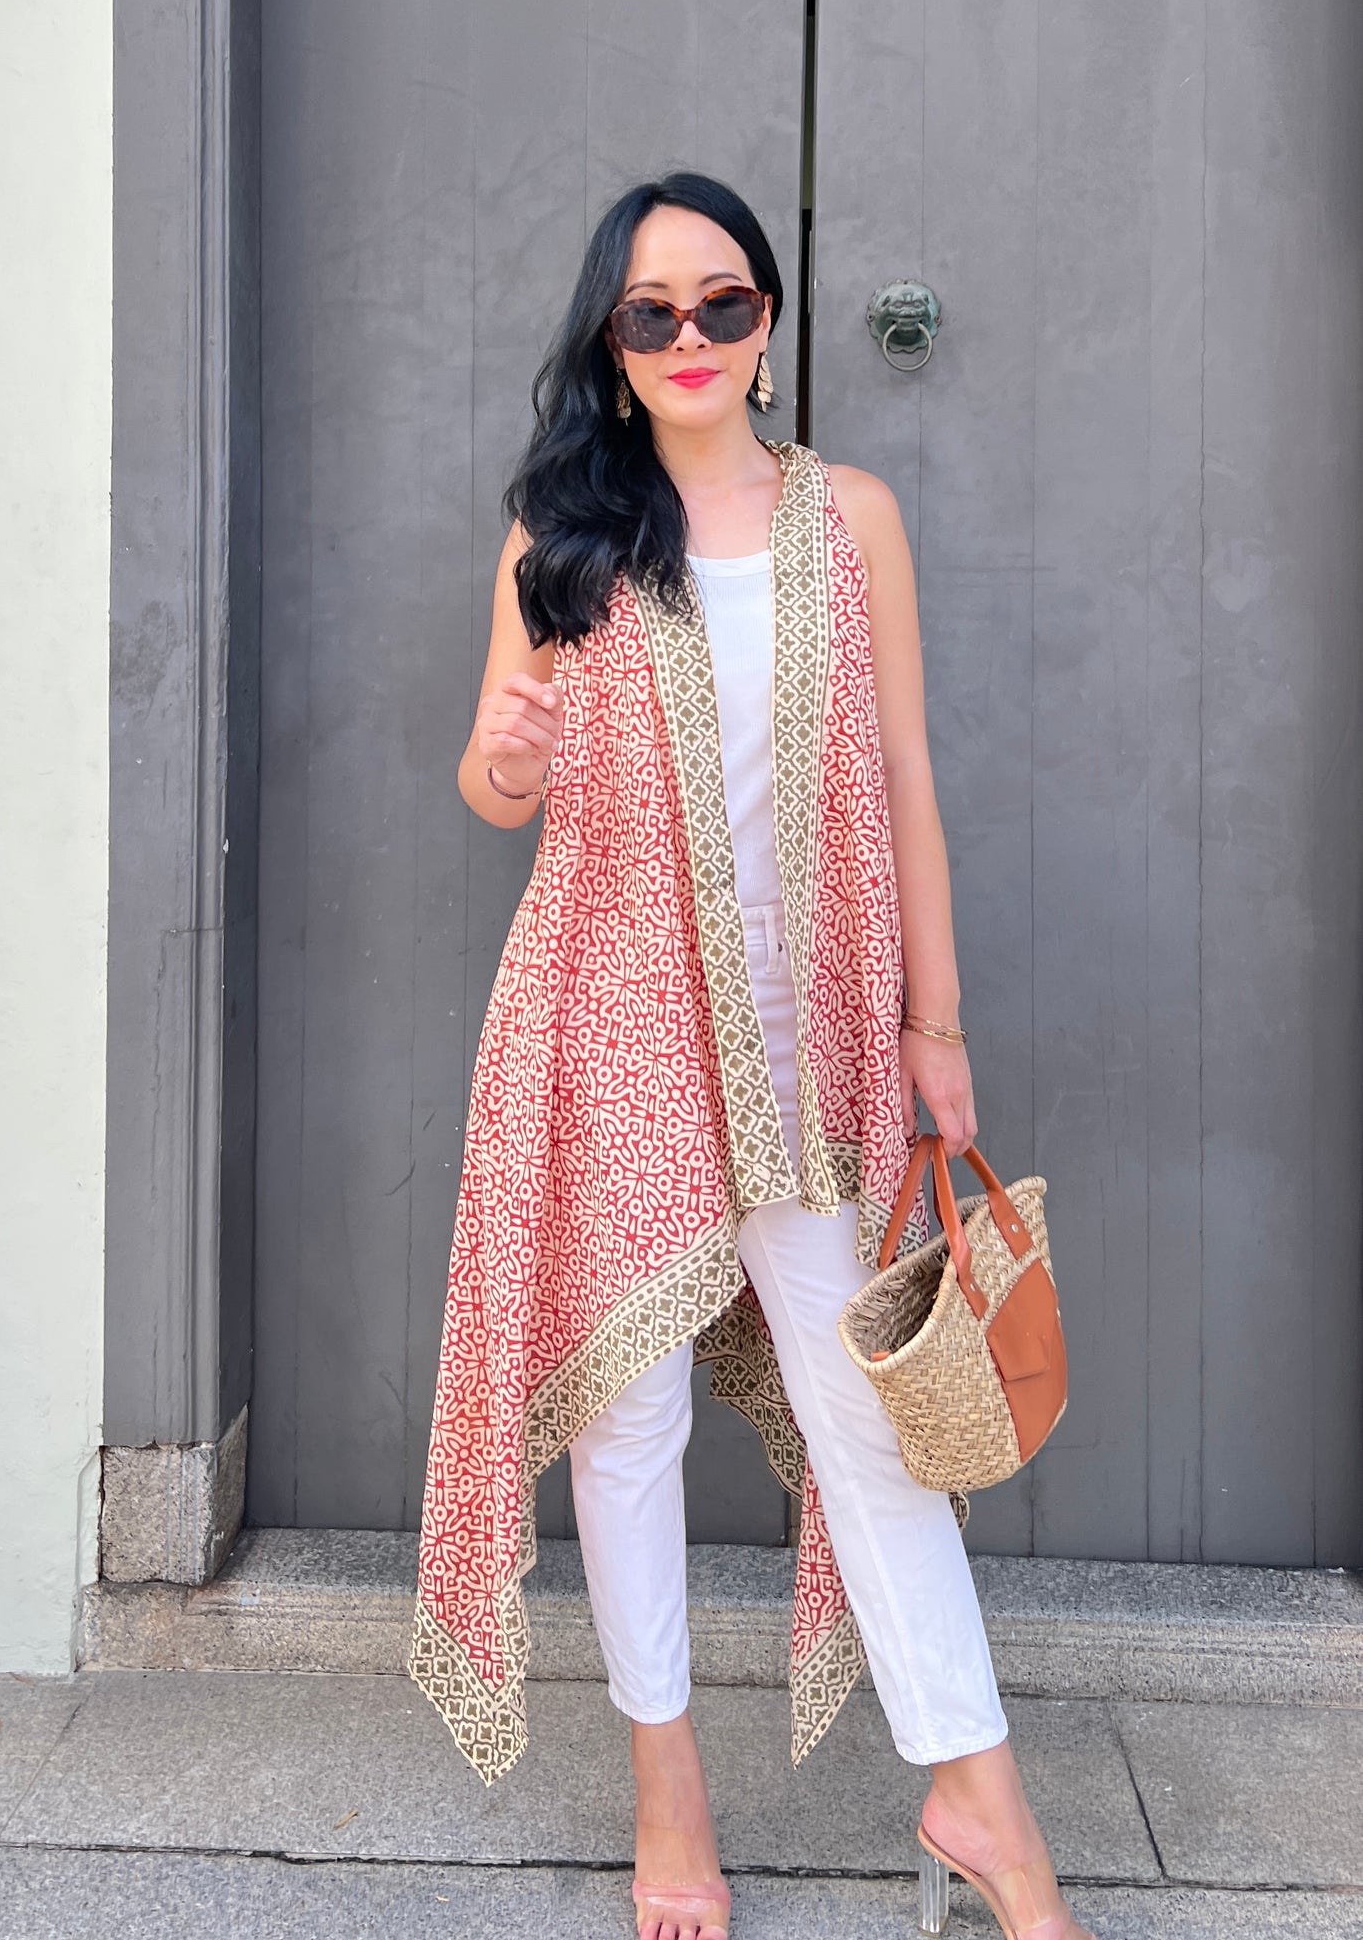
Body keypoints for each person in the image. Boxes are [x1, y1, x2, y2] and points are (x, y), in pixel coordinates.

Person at [410, 173, 1093, 1940]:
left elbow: (907, 786)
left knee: (873, 1413)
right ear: (611, 342)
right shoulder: (553, 538)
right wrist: (506, 749)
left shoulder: (847, 518)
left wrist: (936, 1027)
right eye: (654, 313)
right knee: (622, 1431)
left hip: (816, 1047)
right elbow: (498, 790)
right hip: (609, 1026)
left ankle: (981, 1801)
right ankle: (667, 1794)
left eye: (724, 303)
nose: (693, 337)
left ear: (773, 325)